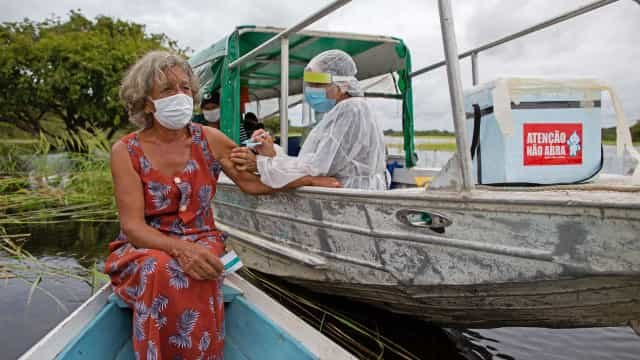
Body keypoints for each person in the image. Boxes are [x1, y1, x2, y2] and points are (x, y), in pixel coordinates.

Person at [105, 50, 340, 359]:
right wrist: (180, 249)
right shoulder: (126, 151)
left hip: (202, 238)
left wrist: (300, 178)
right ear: (147, 102)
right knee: (159, 267)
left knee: (200, 268)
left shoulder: (209, 138)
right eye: (167, 90)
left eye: (185, 88)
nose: (180, 95)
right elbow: (133, 227)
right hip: (147, 245)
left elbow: (252, 181)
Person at [231, 50, 387, 190]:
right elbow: (316, 161)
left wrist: (263, 163)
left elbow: (317, 168)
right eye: (310, 84)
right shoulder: (356, 108)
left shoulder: (349, 109)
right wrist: (272, 152)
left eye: (318, 84)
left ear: (343, 84)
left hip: (349, 195)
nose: (311, 90)